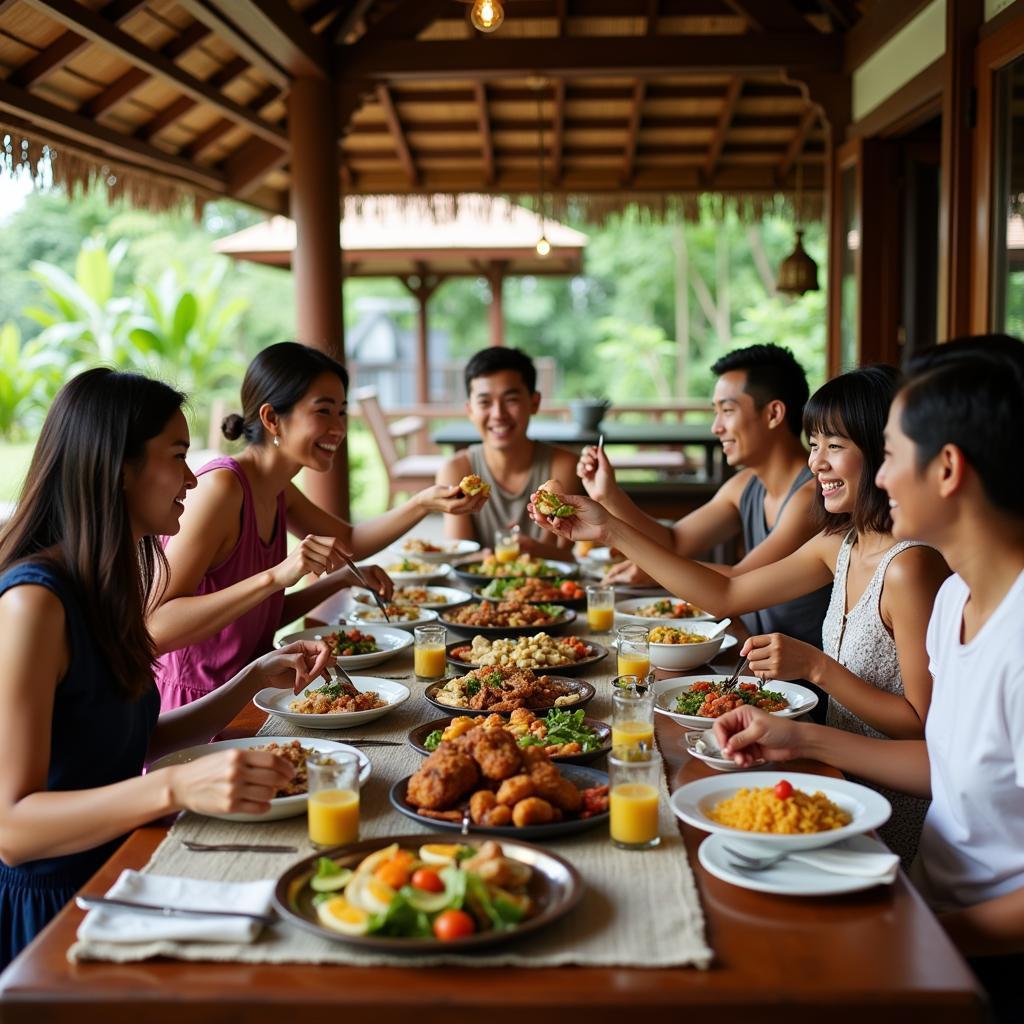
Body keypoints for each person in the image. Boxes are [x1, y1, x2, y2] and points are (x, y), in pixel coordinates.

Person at [710, 337, 1024, 1024]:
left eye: (889, 455)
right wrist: (792, 740)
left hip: (975, 957)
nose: (879, 479)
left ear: (947, 469)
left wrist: (927, 934)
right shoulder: (955, 607)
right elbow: (939, 763)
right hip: (915, 893)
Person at [529, 366, 950, 864]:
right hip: (829, 778)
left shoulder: (910, 566)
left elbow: (921, 727)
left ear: (883, 453)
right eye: (812, 445)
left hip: (886, 811)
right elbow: (726, 592)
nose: (816, 463)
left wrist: (816, 668)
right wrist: (608, 531)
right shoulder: (841, 542)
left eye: (834, 446)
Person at [0, 369, 333, 968]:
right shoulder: (33, 604)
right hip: (55, 914)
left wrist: (254, 678)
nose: (190, 477)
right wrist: (174, 785)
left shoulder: (108, 584)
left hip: (124, 869)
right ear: (117, 468)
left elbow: (125, 743)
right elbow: (13, 830)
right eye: (177, 457)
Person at [150, 342, 486, 710]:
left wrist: (420, 505)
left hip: (253, 693)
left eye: (342, 412)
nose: (338, 428)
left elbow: (347, 542)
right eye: (323, 411)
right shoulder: (222, 488)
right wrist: (275, 576)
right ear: (272, 418)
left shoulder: (278, 490)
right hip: (196, 705)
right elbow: (156, 628)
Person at [578, 343, 830, 652]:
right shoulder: (744, 485)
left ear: (774, 413)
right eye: (715, 412)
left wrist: (654, 567)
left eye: (727, 410)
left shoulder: (811, 497)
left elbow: (736, 584)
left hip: (800, 679)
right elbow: (674, 541)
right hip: (753, 655)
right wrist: (609, 494)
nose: (716, 427)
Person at [436, 347, 579, 559]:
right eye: (485, 402)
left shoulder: (564, 465)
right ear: (470, 410)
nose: (498, 414)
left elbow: (563, 557)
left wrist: (527, 550)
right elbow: (459, 555)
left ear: (534, 402)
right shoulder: (456, 470)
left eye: (511, 399)